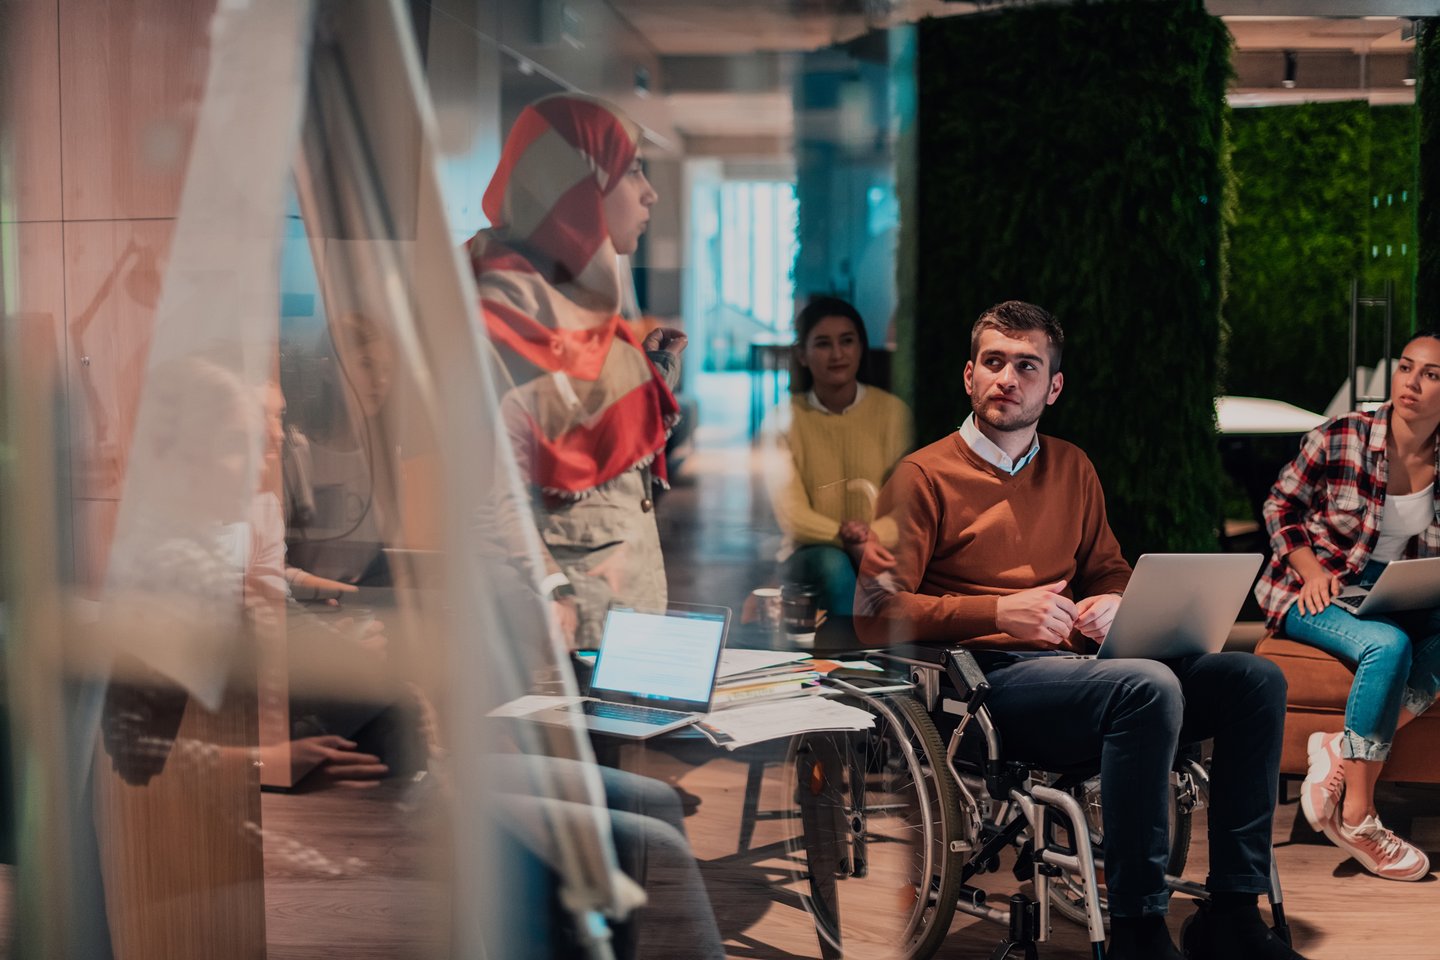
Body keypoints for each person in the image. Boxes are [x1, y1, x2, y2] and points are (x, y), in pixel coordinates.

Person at [855, 301, 1304, 960]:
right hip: (985, 689)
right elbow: (874, 613)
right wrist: (996, 613)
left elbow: (1108, 568)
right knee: (1147, 688)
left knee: (1253, 679)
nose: (1008, 378)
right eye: (993, 362)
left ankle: (1233, 916)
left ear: (1053, 387)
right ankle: (1138, 932)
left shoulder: (1072, 467)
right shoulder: (921, 477)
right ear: (969, 376)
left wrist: (1115, 603)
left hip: (1085, 675)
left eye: (1027, 366)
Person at [468, 93, 686, 649]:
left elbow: (579, 426)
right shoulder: (504, 317)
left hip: (621, 605)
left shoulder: (582, 309)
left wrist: (650, 370)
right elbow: (489, 497)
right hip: (568, 630)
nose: (650, 193)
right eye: (632, 170)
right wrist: (550, 588)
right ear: (576, 186)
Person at [1257, 331, 1440, 881]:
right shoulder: (1342, 435)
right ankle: (1359, 816)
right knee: (1389, 646)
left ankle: (1341, 746)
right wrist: (1310, 570)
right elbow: (1279, 505)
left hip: (1396, 589)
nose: (1412, 382)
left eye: (1431, 374)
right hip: (1314, 585)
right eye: (1406, 367)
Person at [763, 296, 911, 625]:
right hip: (810, 550)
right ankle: (850, 653)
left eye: (847, 341)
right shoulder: (782, 419)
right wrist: (851, 541)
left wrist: (869, 538)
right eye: (823, 343)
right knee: (834, 566)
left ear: (861, 347)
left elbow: (908, 507)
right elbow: (793, 517)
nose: (837, 354)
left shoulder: (893, 414)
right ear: (802, 354)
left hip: (881, 544)